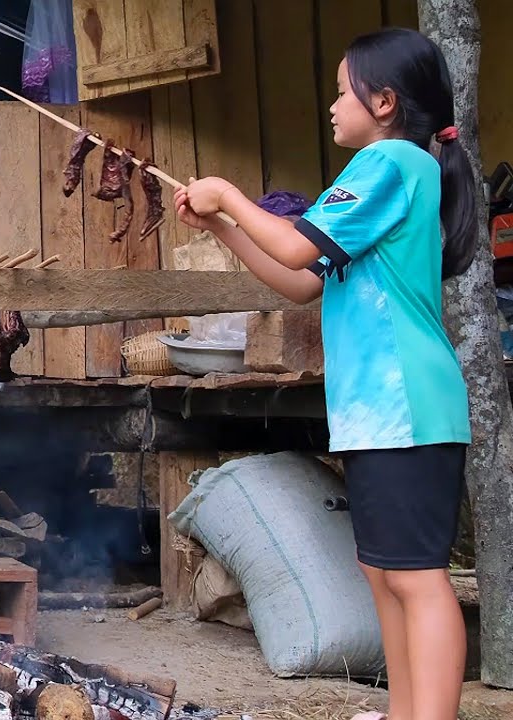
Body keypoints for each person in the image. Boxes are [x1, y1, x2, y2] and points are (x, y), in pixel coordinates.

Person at [175, 27, 476, 720]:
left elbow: (291, 239)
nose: (333, 104)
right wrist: (223, 224)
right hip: (378, 410)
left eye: (343, 91)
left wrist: (226, 191)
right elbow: (299, 279)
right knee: (384, 571)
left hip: (408, 405)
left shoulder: (389, 162)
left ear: (386, 102)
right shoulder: (394, 171)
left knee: (418, 578)